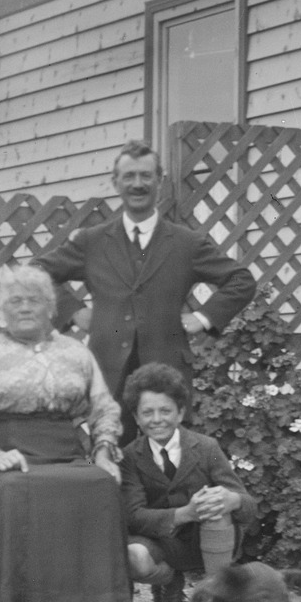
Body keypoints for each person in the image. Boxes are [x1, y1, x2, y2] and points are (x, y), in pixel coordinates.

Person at [0, 264, 134, 602]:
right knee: (13, 489)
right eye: (15, 301)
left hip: (65, 451)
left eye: (33, 300)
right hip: (8, 453)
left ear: (50, 308)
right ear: (2, 309)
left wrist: (102, 450)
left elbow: (104, 407)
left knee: (100, 484)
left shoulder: (75, 351)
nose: (24, 307)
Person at [37, 139, 256, 440]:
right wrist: (73, 311)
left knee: (168, 458)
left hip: (168, 373)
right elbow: (37, 273)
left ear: (159, 181)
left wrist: (203, 318)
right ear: (115, 182)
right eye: (129, 176)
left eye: (146, 176)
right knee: (107, 451)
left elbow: (241, 280)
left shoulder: (186, 243)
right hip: (107, 373)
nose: (138, 184)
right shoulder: (92, 241)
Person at [120, 362, 259, 602]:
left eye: (165, 410)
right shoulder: (130, 456)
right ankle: (169, 581)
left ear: (180, 412)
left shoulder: (206, 448)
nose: (157, 419)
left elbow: (249, 506)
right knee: (134, 557)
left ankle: (215, 599)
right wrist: (185, 513)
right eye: (147, 412)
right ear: (137, 418)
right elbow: (133, 516)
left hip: (204, 539)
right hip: (158, 542)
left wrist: (232, 500)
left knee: (216, 506)